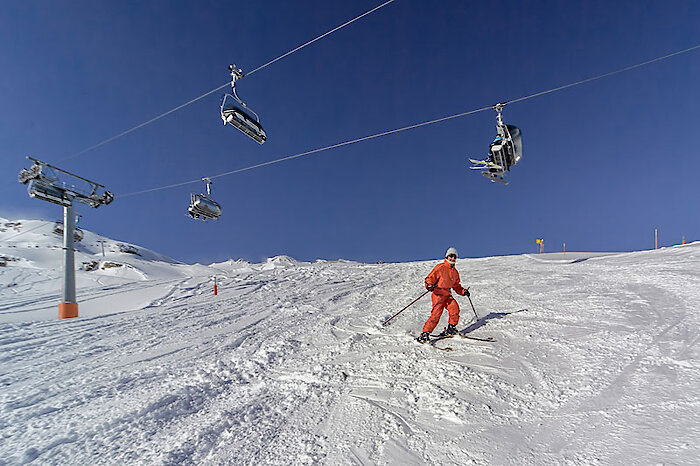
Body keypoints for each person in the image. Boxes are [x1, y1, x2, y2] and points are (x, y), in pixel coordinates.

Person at [417, 247, 470, 343]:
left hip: (447, 294)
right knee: (436, 314)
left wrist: (463, 291)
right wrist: (429, 285)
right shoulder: (440, 267)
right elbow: (430, 278)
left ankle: (451, 328)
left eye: (454, 257)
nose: (452, 258)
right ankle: (425, 333)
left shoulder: (455, 272)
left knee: (455, 309)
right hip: (438, 294)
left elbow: (456, 286)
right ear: (447, 256)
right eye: (451, 256)